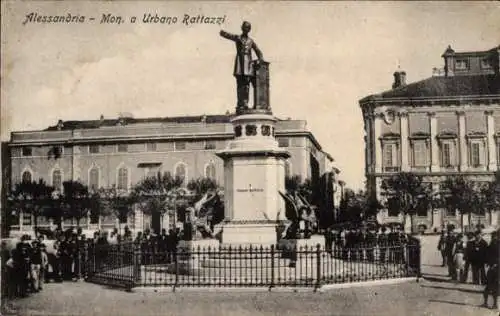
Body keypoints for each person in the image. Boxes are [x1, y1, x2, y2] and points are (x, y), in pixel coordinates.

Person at [220, 21, 264, 110]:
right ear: (242, 28)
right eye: (244, 27)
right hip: (240, 64)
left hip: (248, 65)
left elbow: (258, 51)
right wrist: (222, 32)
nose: (246, 29)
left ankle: (245, 103)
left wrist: (260, 60)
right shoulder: (238, 37)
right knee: (240, 85)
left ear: (249, 29)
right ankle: (240, 103)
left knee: (246, 85)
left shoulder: (251, 41)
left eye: (248, 28)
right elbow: (229, 35)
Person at [481, 230, 498, 309]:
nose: (493, 238)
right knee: (490, 286)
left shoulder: (495, 244)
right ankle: (487, 303)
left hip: (495, 268)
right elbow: (487, 255)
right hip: (492, 268)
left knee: (493, 286)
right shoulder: (492, 244)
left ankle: (494, 304)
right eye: (493, 237)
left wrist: (494, 264)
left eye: (494, 236)